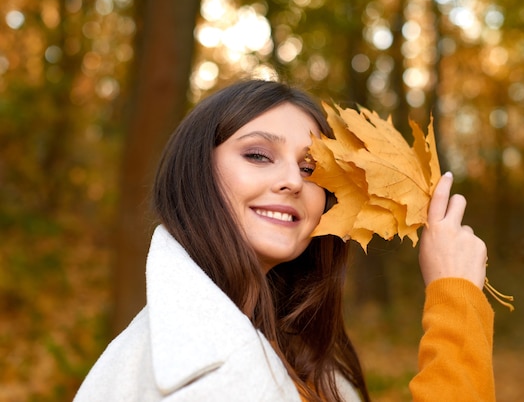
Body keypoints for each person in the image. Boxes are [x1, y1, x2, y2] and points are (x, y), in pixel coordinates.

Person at [74, 79, 494, 402]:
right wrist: (455, 303)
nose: (293, 180)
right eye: (258, 155)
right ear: (196, 172)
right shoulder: (198, 378)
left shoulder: (294, 355)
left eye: (311, 169)